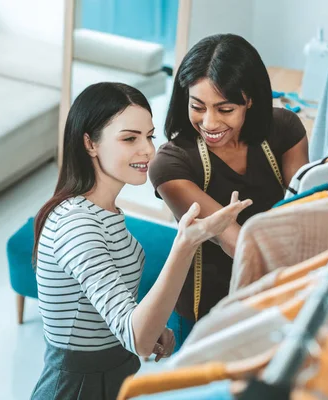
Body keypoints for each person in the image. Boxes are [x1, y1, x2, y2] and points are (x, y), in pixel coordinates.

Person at [30, 82, 252, 399]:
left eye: (149, 136)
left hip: (114, 375)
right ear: (90, 143)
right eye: (130, 138)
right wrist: (187, 244)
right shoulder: (77, 226)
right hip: (78, 389)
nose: (148, 150)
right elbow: (138, 339)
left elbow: (112, 310)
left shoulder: (102, 211)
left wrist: (150, 322)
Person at [149, 34, 309, 340]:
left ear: (248, 99)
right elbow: (236, 242)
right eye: (198, 106)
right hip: (207, 307)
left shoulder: (285, 130)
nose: (209, 123)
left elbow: (302, 211)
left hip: (277, 291)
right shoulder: (171, 164)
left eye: (225, 110)